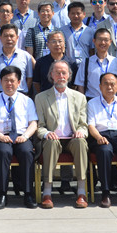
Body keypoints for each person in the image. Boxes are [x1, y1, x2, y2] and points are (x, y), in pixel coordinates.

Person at [34, 60, 89, 209]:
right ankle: (47, 192)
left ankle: (81, 192)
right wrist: (47, 133)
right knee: (51, 143)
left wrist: (80, 132)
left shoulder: (79, 97)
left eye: (64, 73)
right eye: (57, 73)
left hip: (72, 139)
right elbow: (39, 126)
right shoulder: (41, 97)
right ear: (51, 75)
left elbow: (83, 124)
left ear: (69, 75)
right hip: (53, 139)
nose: (61, 76)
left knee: (81, 142)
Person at [0, 66, 38, 209]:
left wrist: (25, 136)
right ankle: (2, 194)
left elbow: (33, 123)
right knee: (3, 152)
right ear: (0, 82)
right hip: (1, 136)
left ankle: (28, 193)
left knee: (26, 152)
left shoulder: (27, 101)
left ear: (19, 82)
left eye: (12, 80)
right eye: (6, 80)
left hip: (22, 136)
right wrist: (0, 136)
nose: (9, 83)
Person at [87, 72, 117, 208]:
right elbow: (91, 126)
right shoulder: (92, 103)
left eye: (112, 84)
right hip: (101, 135)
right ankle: (105, 193)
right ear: (100, 86)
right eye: (106, 84)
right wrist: (98, 137)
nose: (109, 87)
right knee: (104, 151)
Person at [74, 28, 117, 100]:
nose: (103, 42)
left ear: (110, 42)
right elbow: (80, 85)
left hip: (112, 101)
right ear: (94, 41)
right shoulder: (86, 62)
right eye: (100, 39)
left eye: (106, 40)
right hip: (91, 100)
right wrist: (82, 103)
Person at [0, 24, 34, 95]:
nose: (9, 39)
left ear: (17, 38)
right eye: (5, 36)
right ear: (0, 38)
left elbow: (29, 78)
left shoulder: (25, 56)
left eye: (12, 36)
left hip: (20, 94)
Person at [32, 30, 77, 95]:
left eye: (60, 41)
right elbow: (36, 83)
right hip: (46, 97)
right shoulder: (40, 62)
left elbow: (74, 85)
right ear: (47, 44)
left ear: (64, 44)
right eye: (54, 41)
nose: (57, 44)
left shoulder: (71, 63)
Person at [60, 1, 92, 69]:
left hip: (85, 66)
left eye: (78, 13)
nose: (76, 16)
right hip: (68, 66)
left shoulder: (90, 31)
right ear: (68, 15)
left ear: (84, 14)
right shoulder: (62, 31)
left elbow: (92, 51)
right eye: (73, 13)